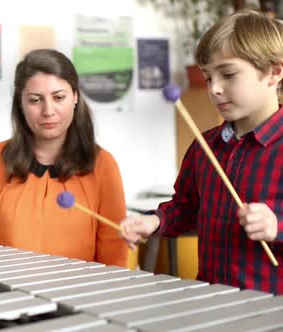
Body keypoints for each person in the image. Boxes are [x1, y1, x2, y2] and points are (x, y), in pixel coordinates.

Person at [120, 10, 283, 294]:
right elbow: (185, 207)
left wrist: (276, 225)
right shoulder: (204, 147)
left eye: (228, 74)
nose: (215, 89)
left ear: (274, 72)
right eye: (208, 78)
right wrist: (154, 221)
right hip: (212, 299)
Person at [0, 49, 128, 266]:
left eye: (59, 97)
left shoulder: (103, 165)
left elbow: (114, 256)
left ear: (75, 97)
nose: (48, 110)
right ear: (20, 104)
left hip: (81, 295)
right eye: (35, 100)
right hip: (10, 294)